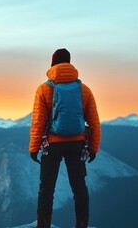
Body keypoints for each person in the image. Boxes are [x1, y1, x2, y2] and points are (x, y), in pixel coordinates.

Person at [29, 48, 101, 228]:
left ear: (52, 63)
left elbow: (38, 121)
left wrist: (33, 147)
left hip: (51, 144)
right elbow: (94, 121)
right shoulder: (83, 90)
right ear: (69, 63)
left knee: (46, 188)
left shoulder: (44, 89)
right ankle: (82, 224)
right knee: (79, 188)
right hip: (77, 144)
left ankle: (43, 225)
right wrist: (93, 147)